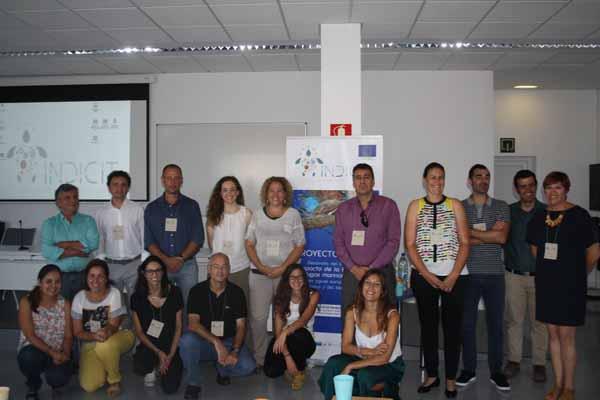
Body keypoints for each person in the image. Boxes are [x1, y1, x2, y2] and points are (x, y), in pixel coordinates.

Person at [527, 171, 600, 400]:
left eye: (557, 187)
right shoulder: (539, 217)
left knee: (567, 337)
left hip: (571, 287)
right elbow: (535, 250)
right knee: (553, 336)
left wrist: (578, 275)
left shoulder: (580, 216)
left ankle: (569, 387)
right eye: (548, 188)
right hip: (547, 285)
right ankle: (557, 384)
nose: (552, 192)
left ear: (566, 189)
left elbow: (594, 252)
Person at [404, 162, 470, 398]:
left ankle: (451, 378)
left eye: (441, 177)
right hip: (424, 276)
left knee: (453, 329)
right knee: (429, 327)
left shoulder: (455, 205)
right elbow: (410, 244)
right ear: (425, 180)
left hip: (455, 277)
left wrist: (452, 275)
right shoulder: (415, 206)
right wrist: (428, 275)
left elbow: (465, 242)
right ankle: (432, 374)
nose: (437, 182)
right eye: (433, 177)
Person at [457, 164, 511, 391]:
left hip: (495, 275)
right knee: (467, 324)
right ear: (470, 181)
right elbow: (459, 239)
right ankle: (468, 369)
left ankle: (496, 371)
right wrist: (489, 235)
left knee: (495, 325)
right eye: (478, 176)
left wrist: (470, 233)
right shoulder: (458, 206)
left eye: (487, 176)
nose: (483, 180)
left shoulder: (501, 206)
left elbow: (502, 239)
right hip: (468, 274)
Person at [245, 176, 305, 367]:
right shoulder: (257, 214)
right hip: (259, 275)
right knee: (258, 319)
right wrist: (262, 267)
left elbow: (300, 245)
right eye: (272, 190)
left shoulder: (293, 214)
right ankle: (261, 359)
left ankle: (280, 358)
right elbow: (249, 243)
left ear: (285, 194)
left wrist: (282, 268)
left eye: (280, 190)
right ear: (266, 193)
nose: (276, 194)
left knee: (282, 317)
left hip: (285, 276)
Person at [319, 269, 405, 400]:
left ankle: (389, 392)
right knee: (333, 364)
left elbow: (384, 358)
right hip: (363, 357)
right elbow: (346, 347)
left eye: (377, 284)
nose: (371, 287)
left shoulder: (392, 315)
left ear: (383, 290)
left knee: (365, 375)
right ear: (361, 286)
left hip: (390, 365)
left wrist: (351, 366)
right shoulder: (352, 311)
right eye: (367, 282)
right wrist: (370, 351)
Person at [180, 253, 256, 400]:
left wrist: (234, 351)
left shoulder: (237, 292)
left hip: (228, 342)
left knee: (248, 367)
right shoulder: (197, 291)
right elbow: (193, 324)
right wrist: (216, 342)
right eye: (216, 267)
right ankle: (194, 383)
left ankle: (222, 367)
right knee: (186, 341)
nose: (220, 271)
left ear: (229, 270)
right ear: (209, 269)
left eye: (224, 267)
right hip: (203, 342)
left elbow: (241, 326)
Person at [333, 163, 401, 316]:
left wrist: (372, 269)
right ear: (353, 182)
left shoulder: (388, 206)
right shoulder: (343, 209)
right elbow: (338, 243)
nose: (362, 181)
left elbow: (393, 242)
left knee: (384, 319)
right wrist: (354, 268)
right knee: (350, 317)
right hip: (352, 274)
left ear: (373, 181)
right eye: (358, 178)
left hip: (382, 274)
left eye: (366, 177)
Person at [503, 169, 548, 382]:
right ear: (516, 189)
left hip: (541, 277)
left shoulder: (547, 212)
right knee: (514, 320)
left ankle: (539, 363)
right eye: (523, 186)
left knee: (540, 322)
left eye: (531, 185)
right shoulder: (509, 212)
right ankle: (514, 360)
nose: (527, 189)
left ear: (536, 185)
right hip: (514, 276)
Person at [71, 259, 135, 396]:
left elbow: (114, 325)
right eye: (92, 276)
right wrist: (94, 336)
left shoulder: (114, 293)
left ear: (106, 278)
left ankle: (114, 380)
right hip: (91, 342)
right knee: (89, 386)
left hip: (120, 335)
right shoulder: (79, 298)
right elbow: (77, 332)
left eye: (100, 276)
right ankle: (108, 363)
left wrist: (105, 332)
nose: (96, 280)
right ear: (86, 277)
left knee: (104, 346)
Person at [145, 164, 204, 307]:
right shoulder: (152, 208)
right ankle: (169, 330)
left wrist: (180, 259)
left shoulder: (192, 206)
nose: (173, 182)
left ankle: (185, 330)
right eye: (169, 178)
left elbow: (198, 238)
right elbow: (148, 241)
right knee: (163, 305)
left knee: (189, 304)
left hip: (187, 265)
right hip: (161, 266)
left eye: (176, 178)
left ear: (181, 181)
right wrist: (166, 260)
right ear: (162, 180)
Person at [17, 264, 73, 400]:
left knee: (58, 378)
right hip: (33, 349)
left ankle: (55, 383)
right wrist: (51, 351)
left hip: (56, 351)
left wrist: (64, 354)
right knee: (28, 358)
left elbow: (68, 336)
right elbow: (30, 335)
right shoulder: (27, 302)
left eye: (57, 282)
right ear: (40, 282)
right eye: (48, 281)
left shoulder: (65, 304)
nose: (53, 285)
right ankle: (33, 384)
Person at [131, 256, 183, 393]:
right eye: (149, 271)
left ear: (163, 272)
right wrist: (158, 353)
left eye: (158, 270)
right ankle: (153, 366)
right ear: (143, 273)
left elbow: (178, 327)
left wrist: (170, 355)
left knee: (170, 388)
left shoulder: (175, 293)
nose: (154, 275)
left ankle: (166, 364)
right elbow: (140, 332)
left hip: (170, 344)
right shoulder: (136, 297)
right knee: (140, 365)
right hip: (150, 344)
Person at [264, 264, 319, 390]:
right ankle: (291, 369)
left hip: (305, 340)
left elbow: (303, 320)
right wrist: (287, 356)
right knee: (270, 371)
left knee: (298, 333)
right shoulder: (279, 299)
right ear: (286, 280)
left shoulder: (313, 295)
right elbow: (278, 333)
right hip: (284, 340)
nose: (296, 280)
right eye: (292, 277)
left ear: (304, 278)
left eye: (300, 276)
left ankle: (298, 370)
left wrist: (285, 332)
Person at [95, 170, 144, 307]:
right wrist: (101, 263)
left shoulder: (137, 209)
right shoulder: (101, 212)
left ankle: (135, 328)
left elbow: (144, 238)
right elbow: (100, 239)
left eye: (123, 184)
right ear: (109, 187)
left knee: (136, 303)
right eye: (115, 184)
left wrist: (143, 263)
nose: (119, 188)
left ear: (128, 188)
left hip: (134, 264)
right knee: (113, 304)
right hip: (111, 265)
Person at [41, 183, 99, 300]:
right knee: (62, 313)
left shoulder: (88, 220)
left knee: (84, 313)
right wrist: (78, 251)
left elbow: (93, 244)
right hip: (59, 278)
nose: (73, 201)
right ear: (58, 203)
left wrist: (64, 245)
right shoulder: (50, 224)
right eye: (68, 198)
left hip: (85, 276)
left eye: (75, 197)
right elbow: (47, 250)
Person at [206, 176, 252, 300]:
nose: (229, 193)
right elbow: (211, 244)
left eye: (232, 190)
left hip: (240, 269)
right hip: (217, 270)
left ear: (238, 192)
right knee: (215, 307)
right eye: (225, 190)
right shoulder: (213, 216)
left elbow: (251, 242)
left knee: (240, 306)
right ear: (220, 193)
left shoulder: (246, 214)